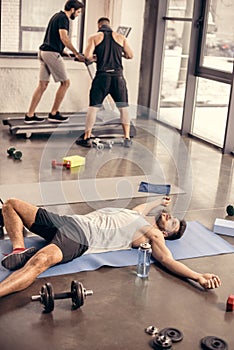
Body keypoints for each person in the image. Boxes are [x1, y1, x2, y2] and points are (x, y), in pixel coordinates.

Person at [0, 196, 221, 297]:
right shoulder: (138, 215)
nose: (168, 216)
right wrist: (158, 202)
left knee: (39, 262)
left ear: (165, 233)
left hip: (80, 237)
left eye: (171, 221)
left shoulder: (152, 234)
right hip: (70, 221)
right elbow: (141, 207)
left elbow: (167, 260)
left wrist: (198, 276)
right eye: (171, 215)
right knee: (11, 204)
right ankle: (19, 249)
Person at [76, 17, 134, 148]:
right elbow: (130, 55)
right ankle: (127, 138)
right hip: (118, 77)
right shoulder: (121, 37)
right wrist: (119, 54)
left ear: (99, 25)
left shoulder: (94, 37)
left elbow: (87, 56)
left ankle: (87, 137)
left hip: (102, 76)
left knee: (93, 107)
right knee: (123, 108)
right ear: (109, 25)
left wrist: (97, 57)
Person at [24, 0, 85, 125]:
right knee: (66, 83)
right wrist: (77, 53)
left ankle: (29, 115)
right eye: (78, 12)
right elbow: (64, 37)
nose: (78, 15)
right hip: (51, 53)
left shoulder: (56, 16)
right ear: (72, 9)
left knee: (42, 85)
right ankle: (54, 113)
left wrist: (61, 50)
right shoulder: (64, 18)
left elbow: (53, 37)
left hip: (43, 52)